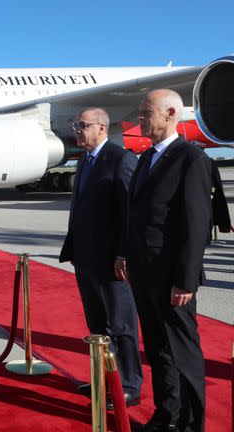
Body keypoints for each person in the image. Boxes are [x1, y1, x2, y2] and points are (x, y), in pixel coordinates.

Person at [116, 89, 213, 432]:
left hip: (173, 278)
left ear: (171, 113)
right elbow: (136, 215)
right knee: (158, 350)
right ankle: (166, 414)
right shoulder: (145, 158)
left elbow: (196, 224)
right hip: (144, 274)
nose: (139, 119)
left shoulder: (190, 158)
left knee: (182, 353)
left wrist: (185, 280)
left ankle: (190, 423)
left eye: (146, 113)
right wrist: (125, 253)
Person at [58, 107, 142, 409]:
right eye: (75, 124)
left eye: (82, 125)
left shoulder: (121, 159)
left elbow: (130, 213)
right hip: (85, 258)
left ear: (102, 128)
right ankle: (104, 379)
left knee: (121, 325)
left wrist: (124, 253)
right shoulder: (86, 161)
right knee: (97, 325)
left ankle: (130, 384)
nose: (76, 129)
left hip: (111, 262)